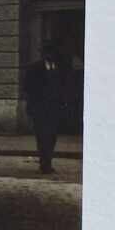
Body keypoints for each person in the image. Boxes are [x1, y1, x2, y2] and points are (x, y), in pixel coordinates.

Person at [24, 42, 69, 174]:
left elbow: (63, 88)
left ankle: (47, 162)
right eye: (47, 52)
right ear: (43, 54)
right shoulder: (34, 68)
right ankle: (45, 164)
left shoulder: (59, 69)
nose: (50, 55)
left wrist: (62, 104)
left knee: (52, 137)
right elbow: (27, 87)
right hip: (39, 110)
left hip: (54, 110)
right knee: (42, 137)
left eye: (52, 52)